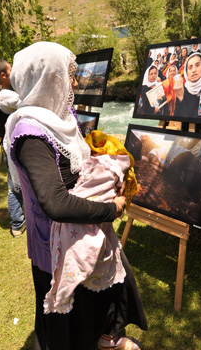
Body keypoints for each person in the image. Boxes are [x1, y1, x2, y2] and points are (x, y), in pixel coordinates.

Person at [3, 42, 147, 350]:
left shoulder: (57, 116)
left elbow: (73, 165)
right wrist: (112, 208)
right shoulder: (30, 133)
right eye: (70, 74)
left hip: (81, 232)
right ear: (48, 78)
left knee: (100, 294)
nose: (77, 82)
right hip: (57, 245)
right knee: (70, 319)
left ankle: (105, 338)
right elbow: (56, 202)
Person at [44, 130, 138, 315]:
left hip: (80, 219)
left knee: (78, 257)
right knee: (87, 254)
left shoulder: (102, 166)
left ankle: (62, 295)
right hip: (82, 216)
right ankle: (65, 295)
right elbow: (122, 194)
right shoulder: (116, 169)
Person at [0, 59, 26, 237]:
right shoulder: (3, 96)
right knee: (14, 184)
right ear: (3, 75)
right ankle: (17, 223)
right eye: (11, 70)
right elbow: (27, 101)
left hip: (10, 144)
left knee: (15, 182)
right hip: (13, 145)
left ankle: (19, 221)